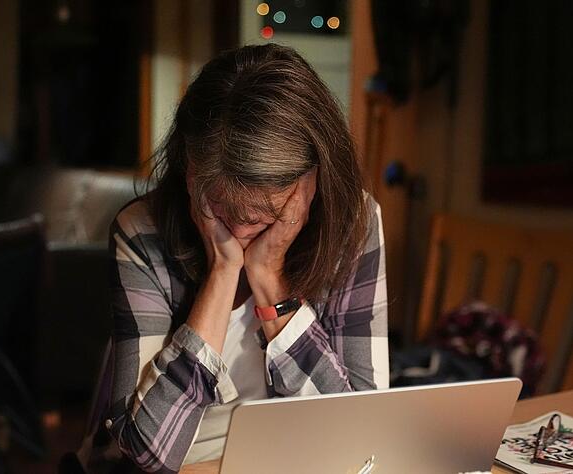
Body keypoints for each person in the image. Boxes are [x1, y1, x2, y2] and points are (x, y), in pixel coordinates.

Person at [75, 43, 389, 473]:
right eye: (220, 210)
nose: (239, 233)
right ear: (188, 171)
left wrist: (268, 276)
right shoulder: (140, 231)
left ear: (310, 181)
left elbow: (359, 431)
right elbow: (147, 450)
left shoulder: (353, 222)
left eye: (263, 218)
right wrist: (222, 274)